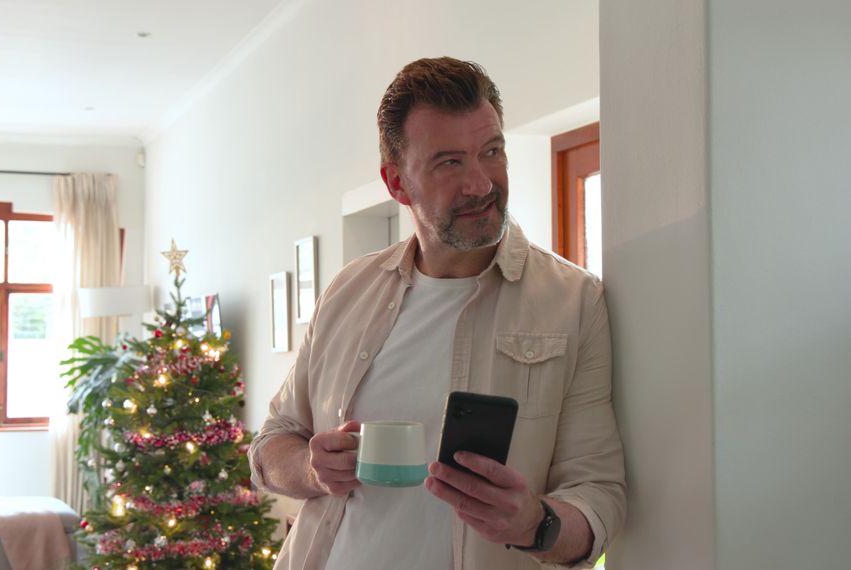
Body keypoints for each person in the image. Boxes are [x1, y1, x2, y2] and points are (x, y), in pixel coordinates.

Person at [248, 57, 626, 569]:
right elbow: (273, 443)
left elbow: (599, 493)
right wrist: (312, 469)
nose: (480, 183)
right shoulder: (346, 291)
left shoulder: (575, 302)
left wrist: (536, 524)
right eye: (449, 162)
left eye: (492, 151)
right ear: (397, 184)